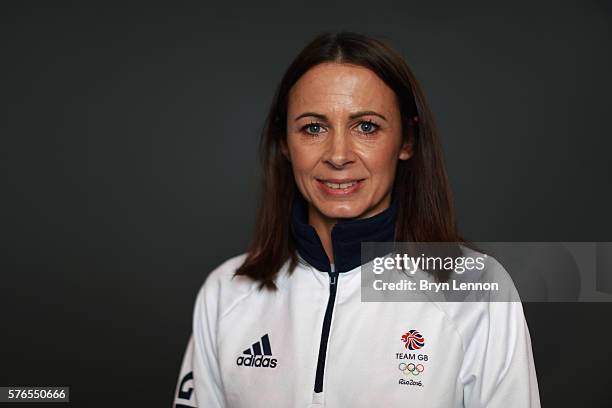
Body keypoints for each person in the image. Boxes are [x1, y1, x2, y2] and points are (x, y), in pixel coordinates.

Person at [172, 31, 540, 407]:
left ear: (407, 141)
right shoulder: (226, 293)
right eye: (313, 128)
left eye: (366, 126)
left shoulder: (478, 291)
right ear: (285, 142)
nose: (338, 155)